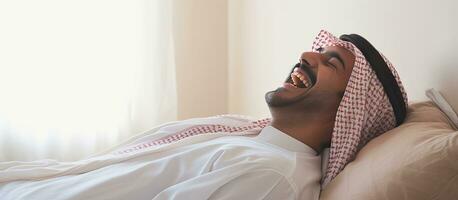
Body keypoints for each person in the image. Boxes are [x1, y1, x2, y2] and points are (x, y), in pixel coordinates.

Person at [0, 30, 407, 200]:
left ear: (348, 112)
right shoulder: (245, 133)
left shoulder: (272, 178)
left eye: (330, 62)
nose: (306, 55)